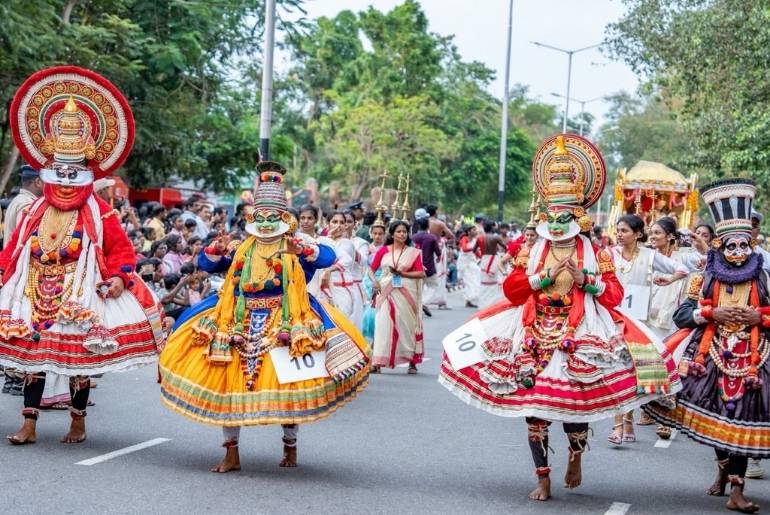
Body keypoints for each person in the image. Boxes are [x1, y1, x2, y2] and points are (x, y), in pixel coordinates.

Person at [439, 134, 680, 502]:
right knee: (533, 407)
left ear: (577, 216)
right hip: (534, 327)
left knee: (573, 406)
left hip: (581, 328)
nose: (555, 222)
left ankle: (575, 455)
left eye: (562, 216)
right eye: (550, 216)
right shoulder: (533, 249)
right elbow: (513, 290)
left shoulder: (594, 252)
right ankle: (543, 476)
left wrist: (587, 280)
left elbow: (614, 295)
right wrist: (544, 277)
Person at [159, 161, 369, 471]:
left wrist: (306, 250)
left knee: (288, 389)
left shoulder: (295, 247)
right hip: (236, 319)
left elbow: (329, 257)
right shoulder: (241, 247)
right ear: (252, 218)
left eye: (273, 217)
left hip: (286, 321)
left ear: (284, 218)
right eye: (261, 217)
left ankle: (290, 447)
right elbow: (206, 263)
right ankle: (231, 453)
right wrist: (215, 248)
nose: (267, 223)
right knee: (228, 388)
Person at [1, 66, 163, 445]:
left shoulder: (100, 213)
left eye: (74, 171)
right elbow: (14, 250)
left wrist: (120, 278)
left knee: (78, 362)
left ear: (86, 170)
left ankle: (78, 422)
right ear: (48, 172)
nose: (66, 181)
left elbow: (123, 251)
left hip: (80, 293)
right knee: (32, 359)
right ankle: (29, 425)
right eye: (60, 171)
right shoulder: (33, 212)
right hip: (33, 288)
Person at [644, 179, 769, 513]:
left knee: (742, 419)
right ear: (720, 246)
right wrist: (712, 311)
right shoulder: (703, 277)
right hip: (710, 354)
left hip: (754, 357)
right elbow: (683, 314)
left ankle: (736, 491)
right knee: (716, 418)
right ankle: (723, 471)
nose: (739, 253)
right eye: (732, 247)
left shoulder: (763, 277)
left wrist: (759, 317)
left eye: (745, 246)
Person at [607, 214, 689, 445]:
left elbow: (682, 269)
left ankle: (629, 420)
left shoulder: (650, 256)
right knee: (617, 370)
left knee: (634, 373)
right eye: (617, 230)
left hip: (640, 324)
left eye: (623, 230)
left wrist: (670, 279)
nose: (619, 234)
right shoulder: (609, 255)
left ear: (637, 234)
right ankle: (618, 425)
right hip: (613, 320)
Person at [370, 220, 426, 374]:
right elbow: (371, 269)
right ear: (392, 234)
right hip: (386, 292)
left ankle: (412, 361)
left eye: (405, 232)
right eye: (399, 231)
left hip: (407, 293)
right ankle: (377, 362)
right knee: (382, 325)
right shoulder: (383, 251)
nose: (402, 234)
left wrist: (402, 273)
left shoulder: (413, 252)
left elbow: (421, 273)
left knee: (407, 326)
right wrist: (374, 282)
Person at [318, 212, 363, 328]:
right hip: (323, 288)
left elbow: (345, 260)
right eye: (334, 222)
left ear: (345, 226)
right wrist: (328, 237)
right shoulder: (322, 240)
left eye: (342, 222)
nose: (338, 225)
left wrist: (328, 271)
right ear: (327, 225)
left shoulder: (346, 243)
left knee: (342, 324)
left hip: (341, 289)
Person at [3, 164, 43, 247]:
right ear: (38, 182)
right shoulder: (27, 204)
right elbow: (24, 240)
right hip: (19, 259)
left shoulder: (19, 200)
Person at [424, 205, 454, 310]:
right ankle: (435, 301)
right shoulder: (439, 223)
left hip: (424, 249)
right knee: (439, 274)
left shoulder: (423, 222)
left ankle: (425, 299)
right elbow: (452, 236)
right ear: (435, 212)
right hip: (438, 248)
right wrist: (443, 239)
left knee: (425, 273)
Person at [412, 216, 440, 317]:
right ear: (428, 225)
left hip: (416, 267)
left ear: (418, 225)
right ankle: (424, 302)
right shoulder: (432, 237)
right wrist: (439, 258)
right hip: (429, 267)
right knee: (434, 285)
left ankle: (419, 305)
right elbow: (438, 252)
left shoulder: (413, 237)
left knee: (419, 288)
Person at [478, 221, 507, 308]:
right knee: (493, 283)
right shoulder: (496, 237)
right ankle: (491, 305)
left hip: (483, 260)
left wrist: (483, 255)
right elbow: (506, 248)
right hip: (493, 260)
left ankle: (482, 305)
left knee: (484, 282)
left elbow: (474, 250)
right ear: (492, 228)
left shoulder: (480, 238)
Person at [458, 225, 481, 308]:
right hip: (464, 263)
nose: (476, 231)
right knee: (468, 281)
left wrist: (482, 256)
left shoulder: (475, 240)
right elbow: (464, 249)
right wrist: (474, 248)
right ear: (468, 232)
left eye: (476, 230)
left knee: (475, 278)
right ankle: (469, 299)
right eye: (473, 230)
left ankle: (470, 299)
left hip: (471, 262)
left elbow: (476, 253)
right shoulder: (464, 239)